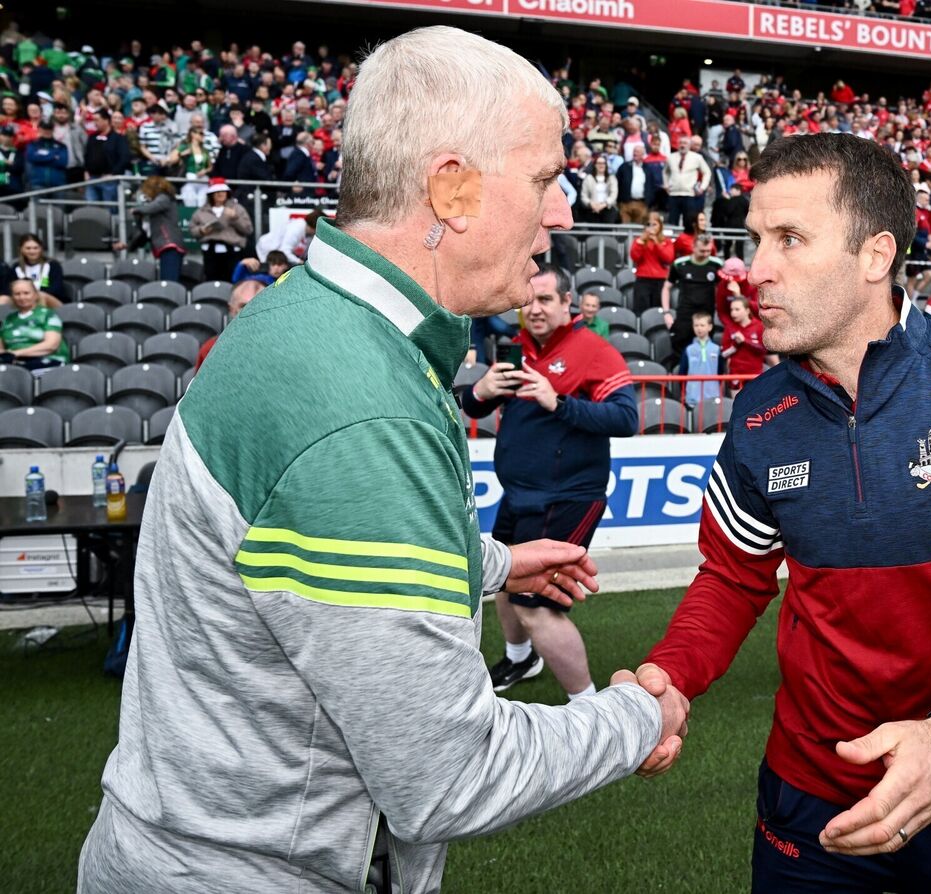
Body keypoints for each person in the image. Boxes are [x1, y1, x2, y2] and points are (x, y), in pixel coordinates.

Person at [78, 28, 687, 894]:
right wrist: (634, 715)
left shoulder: (310, 317)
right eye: (546, 178)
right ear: (452, 187)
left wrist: (499, 563)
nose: (561, 214)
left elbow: (282, 547)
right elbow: (449, 775)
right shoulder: (363, 402)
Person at [636, 132, 931, 893]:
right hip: (810, 798)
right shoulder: (760, 414)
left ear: (874, 255)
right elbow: (732, 579)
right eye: (756, 239)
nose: (755, 269)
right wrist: (669, 677)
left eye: (789, 239)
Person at [463, 261, 638, 702]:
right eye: (529, 300)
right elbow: (477, 407)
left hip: (568, 498)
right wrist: (480, 393)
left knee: (535, 605)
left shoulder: (594, 350)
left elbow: (626, 418)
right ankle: (522, 658)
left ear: (566, 304)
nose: (535, 309)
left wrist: (557, 402)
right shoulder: (516, 347)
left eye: (545, 300)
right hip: (520, 493)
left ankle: (590, 704)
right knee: (503, 581)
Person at [116, 176, 187, 283]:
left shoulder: (164, 198)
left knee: (169, 281)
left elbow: (151, 208)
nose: (145, 193)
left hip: (170, 245)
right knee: (165, 280)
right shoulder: (155, 208)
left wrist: (136, 209)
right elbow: (145, 233)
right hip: (163, 246)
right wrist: (128, 245)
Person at [668, 233, 722, 359]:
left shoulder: (717, 264)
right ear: (693, 247)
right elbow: (666, 288)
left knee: (705, 350)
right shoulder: (679, 264)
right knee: (680, 348)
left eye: (708, 251)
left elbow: (721, 289)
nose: (706, 254)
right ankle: (680, 377)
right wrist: (666, 312)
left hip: (707, 313)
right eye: (702, 251)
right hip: (685, 313)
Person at [189, 178, 253, 282]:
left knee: (232, 280)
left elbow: (248, 229)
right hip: (210, 252)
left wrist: (235, 219)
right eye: (217, 192)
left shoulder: (237, 208)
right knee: (211, 281)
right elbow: (192, 229)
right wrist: (201, 231)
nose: (220, 194)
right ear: (211, 194)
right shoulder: (201, 211)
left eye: (223, 191)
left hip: (232, 252)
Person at [194, 278, 266, 370]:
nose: (252, 311)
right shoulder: (212, 349)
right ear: (232, 309)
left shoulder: (285, 345)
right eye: (244, 306)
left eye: (259, 304)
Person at [0, 278, 69, 370]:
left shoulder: (48, 314)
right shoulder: (8, 319)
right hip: (14, 366)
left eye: (26, 293)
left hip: (48, 363)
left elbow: (51, 345)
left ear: (36, 295)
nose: (22, 297)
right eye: (17, 294)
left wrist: (17, 353)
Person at [2, 234, 66, 308]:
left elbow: (56, 289)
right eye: (28, 248)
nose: (32, 251)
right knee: (3, 299)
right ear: (21, 249)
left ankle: (37, 319)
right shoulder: (16, 268)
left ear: (41, 248)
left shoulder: (52, 266)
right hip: (22, 300)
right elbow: (9, 289)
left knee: (40, 296)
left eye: (35, 248)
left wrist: (32, 296)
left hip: (51, 301)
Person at [629, 210, 674, 315]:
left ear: (660, 226)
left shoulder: (666, 242)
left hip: (661, 281)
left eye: (654, 224)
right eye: (648, 224)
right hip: (643, 280)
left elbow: (668, 259)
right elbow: (635, 257)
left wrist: (657, 243)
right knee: (641, 311)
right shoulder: (639, 241)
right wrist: (641, 241)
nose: (652, 227)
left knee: (659, 312)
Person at [82, 110, 130, 204]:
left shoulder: (118, 138)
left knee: (110, 208)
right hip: (92, 178)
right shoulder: (92, 137)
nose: (95, 123)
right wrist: (86, 170)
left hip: (109, 179)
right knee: (91, 208)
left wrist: (113, 174)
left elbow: (124, 157)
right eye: (93, 120)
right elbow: (87, 155)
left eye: (97, 120)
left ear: (106, 120)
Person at [720, 296, 766, 393]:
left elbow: (763, 350)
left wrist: (745, 341)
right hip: (736, 375)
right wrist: (735, 345)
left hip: (754, 374)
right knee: (737, 406)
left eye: (737, 309)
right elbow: (724, 354)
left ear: (747, 310)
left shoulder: (759, 326)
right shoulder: (730, 327)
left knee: (755, 407)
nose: (733, 313)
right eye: (731, 310)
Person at [678, 309, 722, 406]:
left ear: (710, 327)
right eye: (696, 325)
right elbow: (682, 373)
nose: (699, 328)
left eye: (702, 325)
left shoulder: (716, 349)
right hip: (693, 397)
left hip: (712, 396)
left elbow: (720, 372)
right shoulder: (688, 349)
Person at [664, 138, 711, 226]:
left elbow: (707, 172)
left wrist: (702, 187)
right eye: (681, 142)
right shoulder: (670, 157)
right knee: (672, 222)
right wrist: (666, 185)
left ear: (689, 145)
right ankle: (672, 240)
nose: (682, 145)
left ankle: (688, 239)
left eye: (685, 143)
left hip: (689, 194)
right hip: (674, 194)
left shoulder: (697, 157)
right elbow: (665, 172)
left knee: (689, 222)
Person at [615, 142, 660, 224]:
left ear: (643, 154)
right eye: (634, 151)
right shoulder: (624, 167)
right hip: (625, 203)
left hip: (641, 204)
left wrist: (648, 202)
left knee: (638, 230)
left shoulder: (648, 169)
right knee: (624, 229)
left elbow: (652, 186)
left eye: (638, 152)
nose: (635, 153)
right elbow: (617, 183)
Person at [23, 120, 68, 189]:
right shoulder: (32, 144)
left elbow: (62, 162)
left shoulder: (61, 146)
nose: (47, 131)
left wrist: (41, 158)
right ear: (39, 129)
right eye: (44, 128)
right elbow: (31, 158)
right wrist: (53, 156)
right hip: (37, 184)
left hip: (57, 185)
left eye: (49, 128)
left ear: (53, 130)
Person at [177, 124, 215, 207]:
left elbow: (210, 166)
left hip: (202, 179)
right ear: (193, 134)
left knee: (202, 203)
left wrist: (205, 171)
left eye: (203, 134)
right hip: (190, 178)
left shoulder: (205, 150)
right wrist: (182, 154)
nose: (203, 136)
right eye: (200, 133)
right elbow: (175, 158)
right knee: (190, 203)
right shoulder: (185, 147)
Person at [579, 153, 618, 224]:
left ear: (606, 165)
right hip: (592, 209)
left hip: (608, 208)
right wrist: (591, 204)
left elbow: (613, 195)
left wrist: (603, 205)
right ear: (595, 165)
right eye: (599, 163)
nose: (601, 165)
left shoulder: (611, 178)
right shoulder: (588, 178)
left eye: (603, 163)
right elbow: (583, 196)